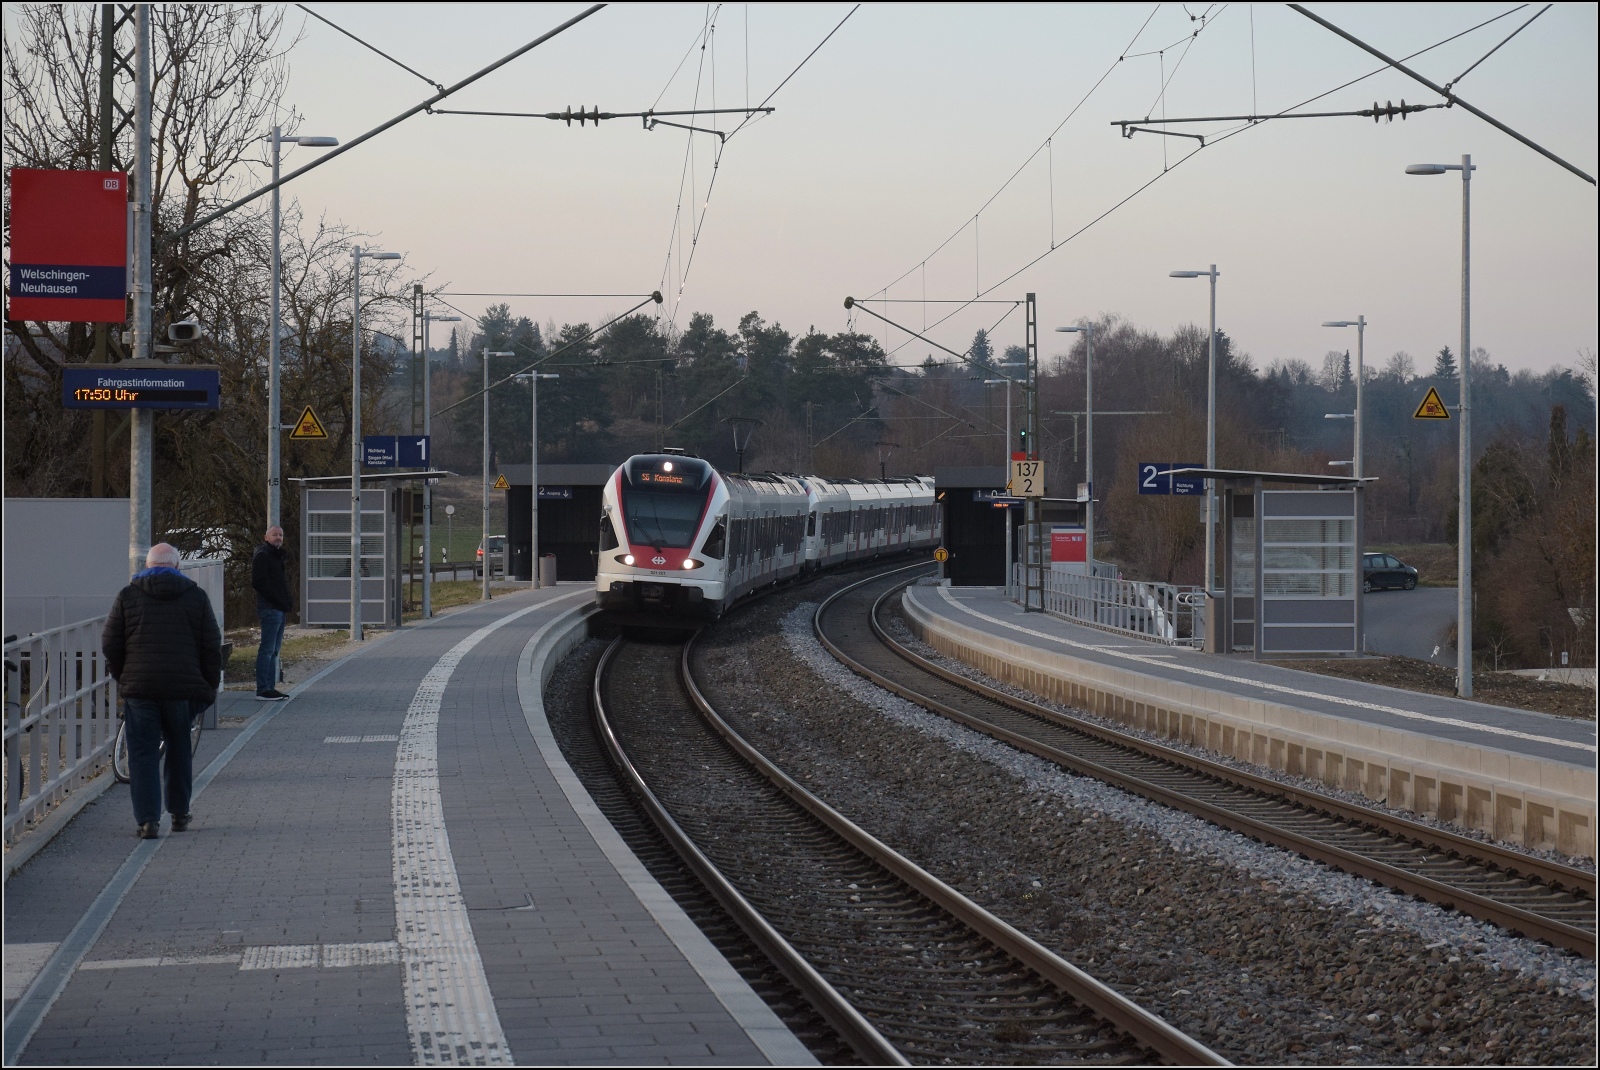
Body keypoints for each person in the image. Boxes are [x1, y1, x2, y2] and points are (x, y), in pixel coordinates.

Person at [102, 543, 222, 839]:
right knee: (179, 749)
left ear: (147, 566)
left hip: (140, 689)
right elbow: (211, 646)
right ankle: (180, 813)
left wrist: (123, 676)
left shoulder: (127, 596)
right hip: (181, 689)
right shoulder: (196, 597)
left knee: (142, 754)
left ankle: (147, 821)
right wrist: (209, 688)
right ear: (178, 567)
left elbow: (110, 642)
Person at [251, 525, 293, 700]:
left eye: (281, 535)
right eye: (275, 534)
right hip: (270, 609)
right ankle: (263, 689)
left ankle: (270, 686)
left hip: (278, 609)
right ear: (266, 537)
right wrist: (277, 600)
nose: (278, 537)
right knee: (267, 650)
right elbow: (259, 582)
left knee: (274, 650)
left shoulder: (276, 556)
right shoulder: (263, 555)